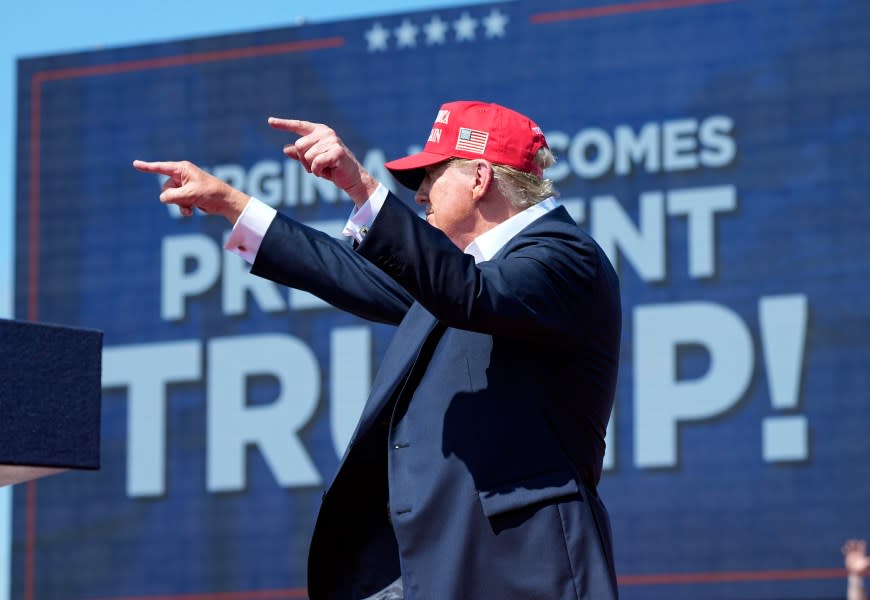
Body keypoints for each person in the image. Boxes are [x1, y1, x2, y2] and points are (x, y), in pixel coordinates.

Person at [134, 100, 621, 600]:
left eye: (432, 174)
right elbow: (353, 272)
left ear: (479, 178)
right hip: (428, 568)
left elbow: (470, 294)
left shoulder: (564, 255)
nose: (422, 194)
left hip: (518, 568)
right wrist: (231, 203)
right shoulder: (459, 277)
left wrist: (363, 189)